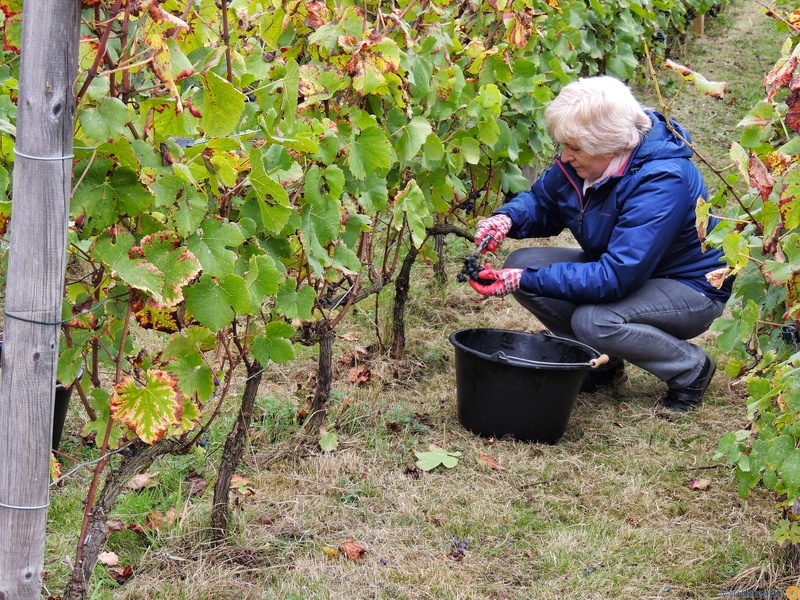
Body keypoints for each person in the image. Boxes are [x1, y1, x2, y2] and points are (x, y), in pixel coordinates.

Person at [470, 75, 732, 411]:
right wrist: (506, 219)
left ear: (612, 144)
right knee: (521, 264)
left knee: (595, 320)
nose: (565, 157)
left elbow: (616, 276)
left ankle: (690, 368)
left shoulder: (663, 179)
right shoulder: (585, 165)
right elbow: (544, 202)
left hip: (688, 287)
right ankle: (601, 362)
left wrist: (524, 280)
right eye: (565, 145)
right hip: (627, 270)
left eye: (575, 148)